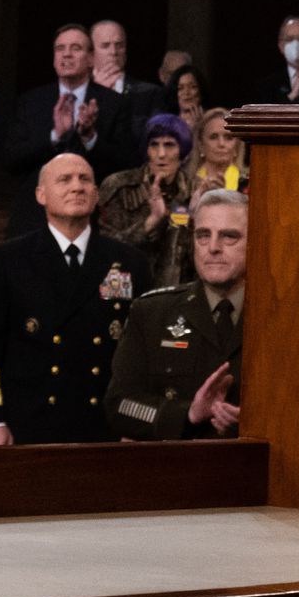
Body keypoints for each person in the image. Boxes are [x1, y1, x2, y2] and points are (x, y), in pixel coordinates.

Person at [0, 152, 143, 444]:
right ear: (41, 195)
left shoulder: (129, 262)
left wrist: (135, 423)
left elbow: (139, 357)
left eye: (85, 179)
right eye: (64, 180)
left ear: (96, 195)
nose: (77, 186)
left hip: (105, 427)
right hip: (28, 426)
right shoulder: (8, 260)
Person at [108, 188, 247, 440]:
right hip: (175, 469)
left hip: (260, 470)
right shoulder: (152, 312)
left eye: (229, 237)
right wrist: (187, 414)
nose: (213, 248)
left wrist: (250, 422)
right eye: (203, 235)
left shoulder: (281, 319)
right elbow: (119, 405)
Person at [3, 23, 136, 236]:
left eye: (76, 48)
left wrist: (90, 138)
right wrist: (55, 136)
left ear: (91, 59)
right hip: (35, 221)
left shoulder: (113, 103)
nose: (67, 55)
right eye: (60, 49)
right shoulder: (31, 101)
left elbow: (127, 163)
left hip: (94, 222)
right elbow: (12, 159)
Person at [97, 113, 196, 290]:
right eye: (154, 145)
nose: (161, 154)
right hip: (123, 287)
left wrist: (194, 217)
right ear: (146, 150)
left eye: (169, 145)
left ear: (182, 149)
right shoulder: (119, 186)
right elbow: (104, 249)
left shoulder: (194, 191)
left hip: (175, 292)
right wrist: (150, 223)